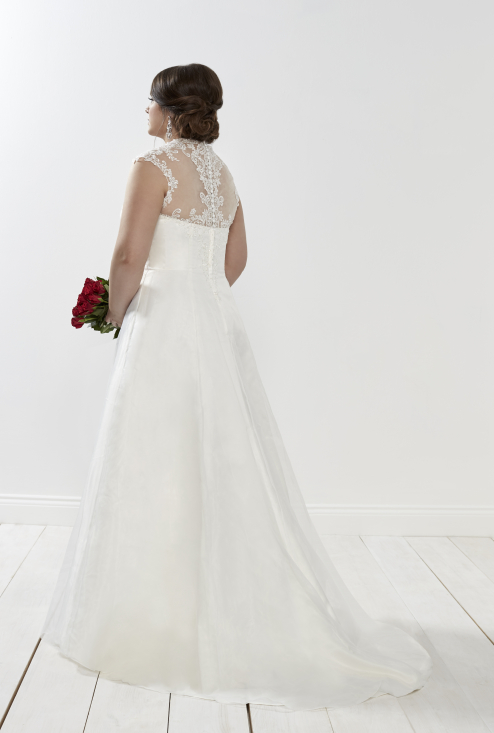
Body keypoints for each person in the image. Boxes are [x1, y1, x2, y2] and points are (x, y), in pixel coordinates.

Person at [40, 63, 432, 712]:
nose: (144, 114)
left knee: (152, 459)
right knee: (217, 459)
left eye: (148, 103)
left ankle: (150, 614)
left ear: (169, 111)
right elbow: (234, 260)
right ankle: (223, 603)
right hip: (215, 324)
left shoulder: (151, 165)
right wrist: (200, 294)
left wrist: (115, 310)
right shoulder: (223, 174)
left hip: (164, 326)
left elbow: (129, 256)